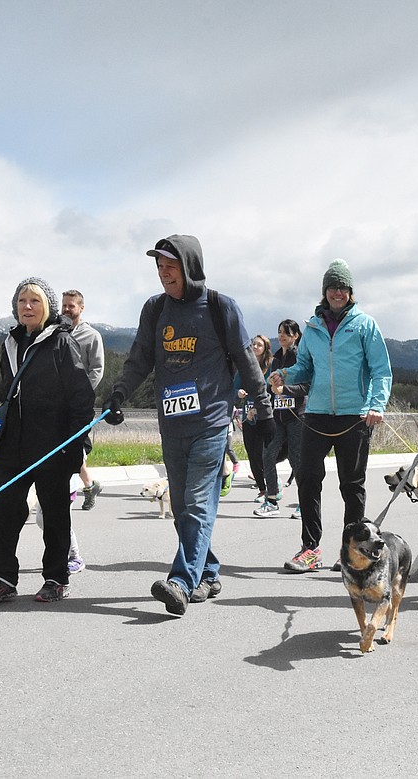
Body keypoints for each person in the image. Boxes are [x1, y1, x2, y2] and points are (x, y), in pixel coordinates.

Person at [103, 235, 275, 616]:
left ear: (190, 267)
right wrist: (118, 394)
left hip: (212, 422)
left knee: (197, 503)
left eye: (171, 268)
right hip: (172, 424)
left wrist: (265, 410)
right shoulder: (155, 309)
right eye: (160, 268)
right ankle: (209, 572)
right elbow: (139, 359)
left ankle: (181, 581)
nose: (164, 275)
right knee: (182, 508)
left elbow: (247, 361)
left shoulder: (219, 307)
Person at [0, 278, 95, 606]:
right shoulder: (10, 343)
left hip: (53, 444)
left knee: (54, 514)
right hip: (13, 444)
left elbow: (81, 396)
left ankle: (56, 578)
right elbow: (7, 391)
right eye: (22, 301)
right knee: (1, 512)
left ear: (48, 307)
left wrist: (76, 443)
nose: (27, 306)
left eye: (35, 301)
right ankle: (1, 579)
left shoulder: (62, 342)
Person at [271, 259, 392, 573]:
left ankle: (351, 551)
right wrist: (284, 374)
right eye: (332, 287)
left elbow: (381, 371)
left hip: (356, 416)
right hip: (317, 414)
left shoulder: (365, 324)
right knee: (308, 479)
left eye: (343, 287)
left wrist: (376, 405)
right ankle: (310, 549)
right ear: (324, 291)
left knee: (351, 485)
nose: (337, 292)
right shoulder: (312, 327)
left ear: (350, 292)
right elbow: (305, 369)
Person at [62, 289, 105, 575]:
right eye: (64, 305)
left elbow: (97, 368)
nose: (67, 309)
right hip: (57, 405)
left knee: (76, 448)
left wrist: (82, 393)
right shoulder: (56, 331)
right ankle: (88, 486)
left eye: (71, 306)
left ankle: (83, 487)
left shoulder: (92, 337)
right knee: (71, 453)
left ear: (82, 308)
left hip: (79, 405)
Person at [254, 319, 308, 518]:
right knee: (267, 455)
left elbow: (305, 387)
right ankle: (272, 499)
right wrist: (271, 387)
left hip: (297, 416)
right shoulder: (276, 358)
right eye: (279, 332)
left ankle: (304, 503)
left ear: (295, 336)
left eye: (286, 332)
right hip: (277, 416)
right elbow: (270, 388)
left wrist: (286, 389)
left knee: (296, 459)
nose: (282, 335)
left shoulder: (300, 357)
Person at [237, 334, 274, 502]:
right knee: (251, 452)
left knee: (264, 453)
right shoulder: (244, 367)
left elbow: (273, 390)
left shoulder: (272, 367)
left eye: (259, 345)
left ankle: (272, 485)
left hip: (266, 415)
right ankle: (262, 489)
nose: (255, 347)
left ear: (265, 348)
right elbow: (234, 387)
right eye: (253, 344)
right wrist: (239, 393)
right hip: (248, 415)